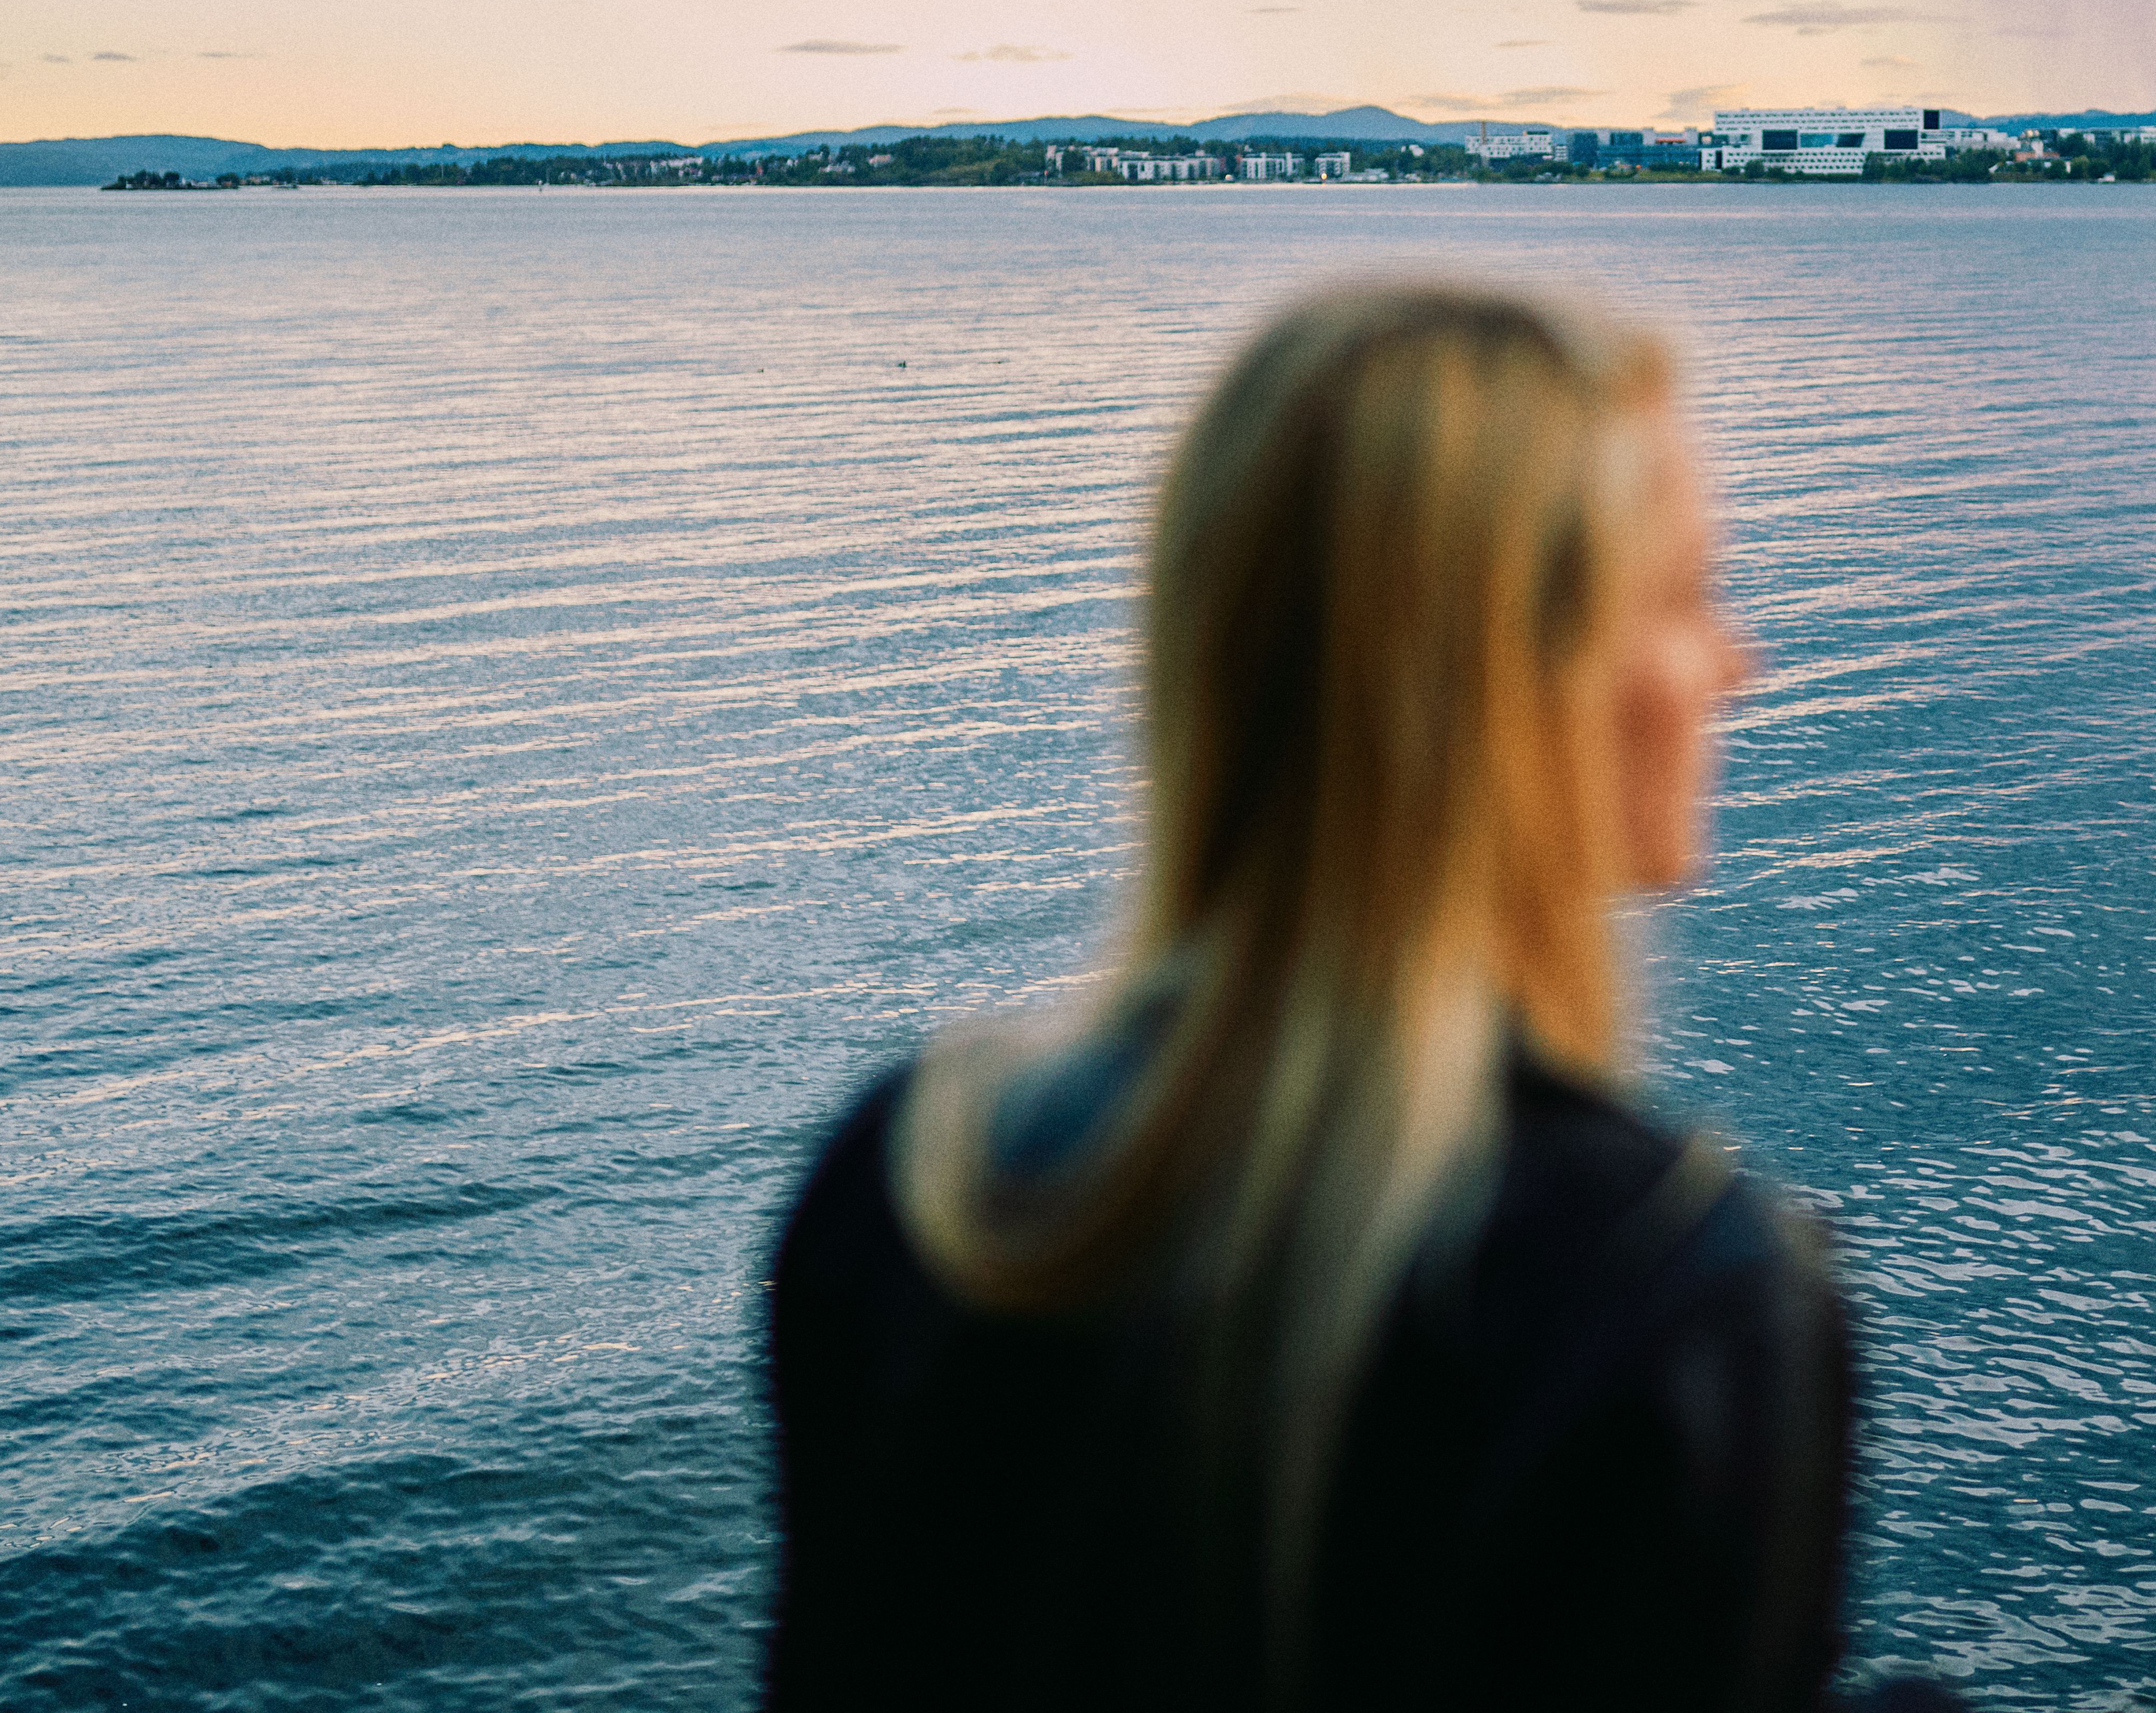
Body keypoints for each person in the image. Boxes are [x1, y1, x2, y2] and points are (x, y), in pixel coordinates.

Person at [761, 282, 1955, 1710]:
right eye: (1688, 596)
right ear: (1517, 681)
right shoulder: (1673, 1302)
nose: (1738, 666)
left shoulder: (919, 1182)